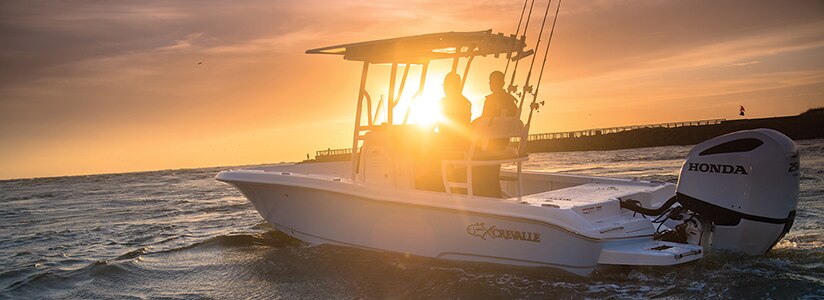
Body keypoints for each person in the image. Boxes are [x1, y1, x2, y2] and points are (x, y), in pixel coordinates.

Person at [437, 72, 472, 150]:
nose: (444, 88)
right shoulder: (466, 102)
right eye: (444, 85)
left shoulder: (444, 103)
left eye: (446, 85)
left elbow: (441, 126)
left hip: (451, 143)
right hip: (461, 141)